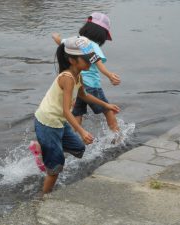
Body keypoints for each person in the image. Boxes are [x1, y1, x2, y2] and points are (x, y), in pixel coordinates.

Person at [34, 36, 120, 194]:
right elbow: (67, 111)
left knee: (79, 148)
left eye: (91, 59)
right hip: (48, 122)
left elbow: (84, 95)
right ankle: (42, 199)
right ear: (72, 60)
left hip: (58, 121)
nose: (90, 63)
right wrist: (82, 131)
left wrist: (106, 105)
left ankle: (43, 148)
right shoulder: (67, 78)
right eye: (87, 60)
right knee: (56, 168)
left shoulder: (78, 75)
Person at [52, 12, 121, 133]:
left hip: (76, 84)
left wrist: (56, 36)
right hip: (91, 86)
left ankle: (74, 139)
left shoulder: (76, 41)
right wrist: (109, 75)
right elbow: (98, 62)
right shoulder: (92, 45)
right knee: (107, 110)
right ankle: (117, 135)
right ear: (101, 34)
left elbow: (61, 43)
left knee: (77, 113)